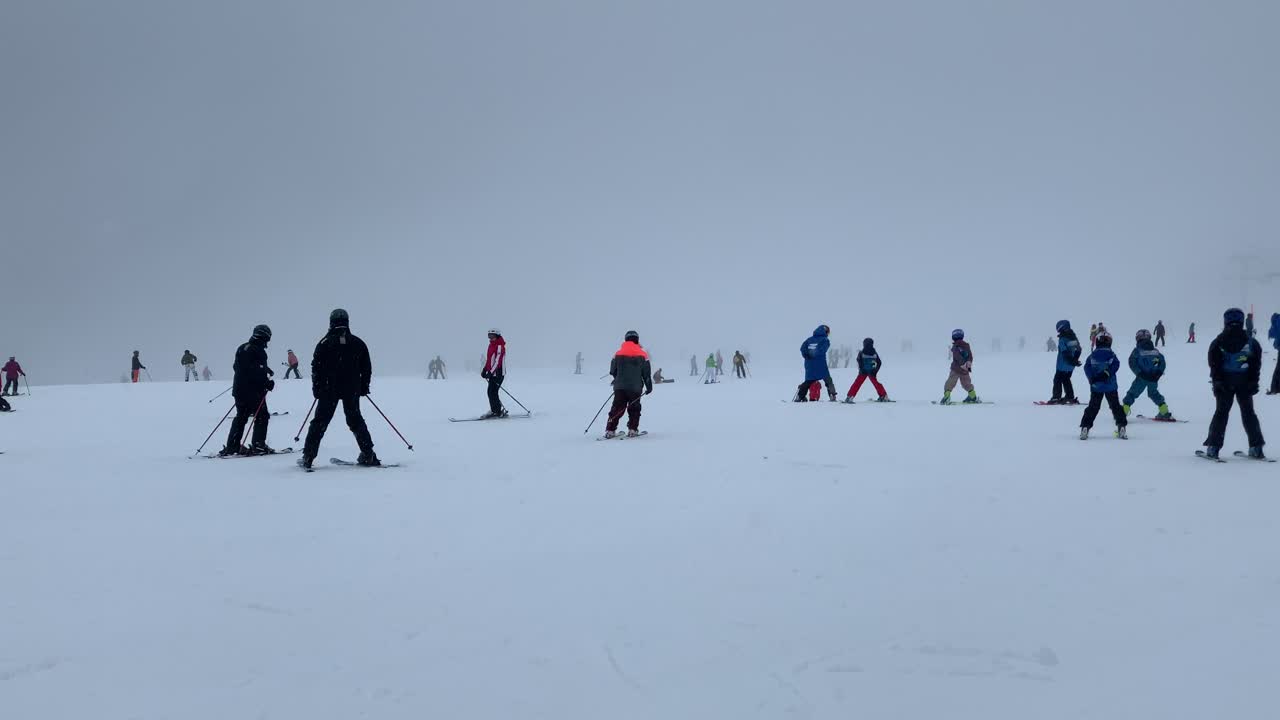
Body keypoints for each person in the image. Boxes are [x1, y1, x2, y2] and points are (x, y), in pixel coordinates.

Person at [299, 308, 378, 469]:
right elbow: (366, 367)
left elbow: (316, 368)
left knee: (320, 422)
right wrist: (364, 386)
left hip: (329, 389)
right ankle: (368, 454)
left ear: (331, 322)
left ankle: (308, 456)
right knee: (355, 420)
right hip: (351, 389)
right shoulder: (357, 343)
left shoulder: (324, 343)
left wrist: (317, 388)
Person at [1203, 308, 1266, 459]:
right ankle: (1256, 447)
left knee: (1221, 413)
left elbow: (1214, 363)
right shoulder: (1251, 342)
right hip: (1245, 383)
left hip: (1224, 383)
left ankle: (1213, 447)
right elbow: (1255, 364)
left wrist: (1217, 382)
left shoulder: (1218, 342)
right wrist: (1253, 382)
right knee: (1249, 413)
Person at [219, 325, 276, 456]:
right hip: (253, 391)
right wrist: (267, 383)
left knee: (241, 417)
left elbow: (239, 367)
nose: (268, 342)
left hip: (239, 389)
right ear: (264, 336)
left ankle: (232, 446)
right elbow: (256, 371)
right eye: (268, 338)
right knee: (262, 416)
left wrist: (265, 370)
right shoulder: (258, 350)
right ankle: (258, 445)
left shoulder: (243, 347)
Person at [604, 330, 654, 438]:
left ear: (626, 339)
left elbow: (613, 371)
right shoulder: (643, 354)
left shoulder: (617, 353)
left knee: (617, 408)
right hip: (635, 388)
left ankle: (610, 430)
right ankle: (632, 430)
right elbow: (646, 374)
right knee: (634, 408)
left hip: (619, 387)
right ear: (637, 340)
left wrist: (620, 379)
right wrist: (649, 387)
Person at [1079, 330, 1127, 440]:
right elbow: (1116, 365)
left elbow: (1087, 367)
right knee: (1115, 406)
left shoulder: (1092, 355)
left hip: (1097, 387)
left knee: (1093, 407)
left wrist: (1091, 379)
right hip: (1111, 386)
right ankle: (1121, 426)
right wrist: (1108, 373)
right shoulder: (1111, 354)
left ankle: (1085, 427)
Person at [1123, 329, 1172, 419]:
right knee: (1154, 393)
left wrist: (1139, 373)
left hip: (1142, 378)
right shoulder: (1156, 351)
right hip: (1153, 378)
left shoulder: (1137, 351)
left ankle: (1123, 412)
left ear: (1137, 339)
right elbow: (1162, 362)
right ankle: (1164, 411)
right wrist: (1158, 373)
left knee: (1132, 394)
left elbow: (1132, 362)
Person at [795, 325, 836, 402]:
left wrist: (807, 355)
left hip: (809, 365)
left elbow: (802, 349)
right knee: (828, 380)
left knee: (808, 381)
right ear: (825, 332)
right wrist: (814, 354)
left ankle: (799, 397)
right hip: (820, 364)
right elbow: (822, 350)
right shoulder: (825, 340)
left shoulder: (809, 340)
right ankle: (832, 395)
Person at [940, 329, 980, 404]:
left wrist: (962, 364)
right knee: (966, 383)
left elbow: (957, 356)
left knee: (950, 383)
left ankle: (946, 397)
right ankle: (972, 396)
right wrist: (968, 363)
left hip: (956, 369)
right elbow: (970, 356)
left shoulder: (956, 346)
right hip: (965, 369)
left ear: (953, 337)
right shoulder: (966, 345)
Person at [1048, 320, 1082, 404]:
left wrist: (1071, 360)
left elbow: (1064, 352)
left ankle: (1056, 397)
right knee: (1066, 379)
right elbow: (1079, 349)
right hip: (1071, 366)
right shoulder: (1074, 337)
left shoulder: (1063, 339)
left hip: (1063, 364)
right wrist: (1074, 360)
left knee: (1057, 379)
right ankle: (1070, 396)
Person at [844, 338, 888, 402]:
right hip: (872, 371)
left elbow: (858, 360)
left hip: (863, 372)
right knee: (876, 383)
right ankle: (883, 396)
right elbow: (879, 362)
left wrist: (861, 368)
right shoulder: (874, 353)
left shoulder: (862, 352)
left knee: (857, 384)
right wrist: (875, 370)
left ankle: (850, 397)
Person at [481, 328, 507, 418]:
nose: (490, 338)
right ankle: (495, 410)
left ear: (497, 336)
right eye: (489, 336)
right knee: (491, 392)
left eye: (492, 336)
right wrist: (485, 370)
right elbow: (489, 360)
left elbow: (498, 361)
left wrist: (491, 372)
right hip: (493, 374)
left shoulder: (500, 346)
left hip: (498, 374)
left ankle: (497, 411)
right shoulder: (491, 345)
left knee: (493, 392)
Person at [1269, 313, 1280, 395]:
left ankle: (1275, 389)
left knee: (1278, 369)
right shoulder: (1278, 321)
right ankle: (1275, 388)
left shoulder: (1277, 321)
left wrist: (1276, 345)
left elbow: (1273, 334)